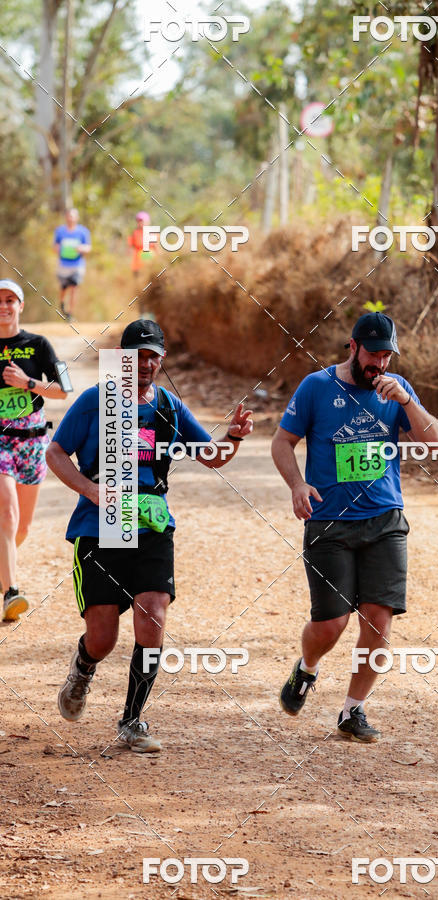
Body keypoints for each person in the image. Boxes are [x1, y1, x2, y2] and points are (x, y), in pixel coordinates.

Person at [46, 319, 253, 753]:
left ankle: (132, 720)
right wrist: (90, 490)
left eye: (153, 355)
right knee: (103, 638)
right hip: (102, 526)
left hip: (153, 522)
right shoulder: (93, 402)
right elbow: (55, 452)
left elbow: (210, 456)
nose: (146, 362)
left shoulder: (169, 407)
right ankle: (83, 667)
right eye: (137, 355)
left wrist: (232, 436)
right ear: (123, 359)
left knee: (153, 614)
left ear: (161, 360)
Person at [272, 312, 438, 743]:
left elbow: (434, 441)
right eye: (373, 355)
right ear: (353, 347)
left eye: (387, 356)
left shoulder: (397, 391)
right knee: (332, 624)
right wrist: (297, 484)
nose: (380, 365)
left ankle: (353, 709)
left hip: (385, 520)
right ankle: (306, 669)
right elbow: (282, 442)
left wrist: (406, 401)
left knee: (379, 623)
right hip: (329, 522)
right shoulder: (316, 387)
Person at [0, 279, 69, 621]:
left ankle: (3, 568)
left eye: (10, 300)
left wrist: (28, 383)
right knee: (7, 514)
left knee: (22, 526)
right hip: (0, 441)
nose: (4, 306)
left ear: (21, 305)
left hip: (32, 441)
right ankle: (12, 591)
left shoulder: (38, 344)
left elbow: (64, 389)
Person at [53, 208, 91, 320]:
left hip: (77, 264)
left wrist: (81, 248)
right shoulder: (60, 231)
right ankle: (62, 303)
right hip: (63, 265)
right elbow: (55, 246)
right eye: (69, 216)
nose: (71, 218)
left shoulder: (83, 231)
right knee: (64, 287)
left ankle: (70, 313)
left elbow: (88, 247)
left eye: (73, 216)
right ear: (66, 217)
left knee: (74, 286)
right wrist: (61, 249)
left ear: (77, 218)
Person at [128, 211, 156, 281]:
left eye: (142, 221)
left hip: (151, 263)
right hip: (138, 264)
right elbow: (131, 248)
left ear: (148, 222)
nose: (140, 223)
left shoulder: (153, 233)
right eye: (139, 221)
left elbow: (157, 248)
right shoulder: (135, 233)